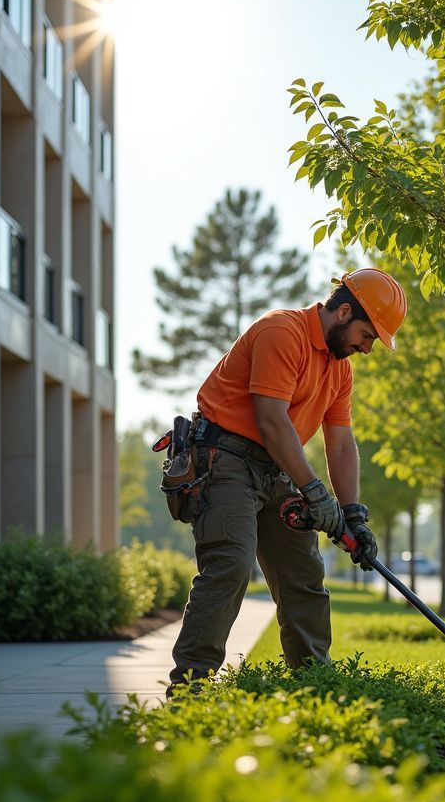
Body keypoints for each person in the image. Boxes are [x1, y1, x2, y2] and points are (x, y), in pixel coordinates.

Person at [167, 268, 407, 693]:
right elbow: (271, 420)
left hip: (277, 470)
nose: (367, 349)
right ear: (344, 311)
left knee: (304, 578)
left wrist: (352, 514)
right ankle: (189, 693)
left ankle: (314, 689)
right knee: (231, 565)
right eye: (368, 335)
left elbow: (340, 442)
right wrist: (315, 493)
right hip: (225, 460)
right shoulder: (282, 331)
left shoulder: (340, 370)